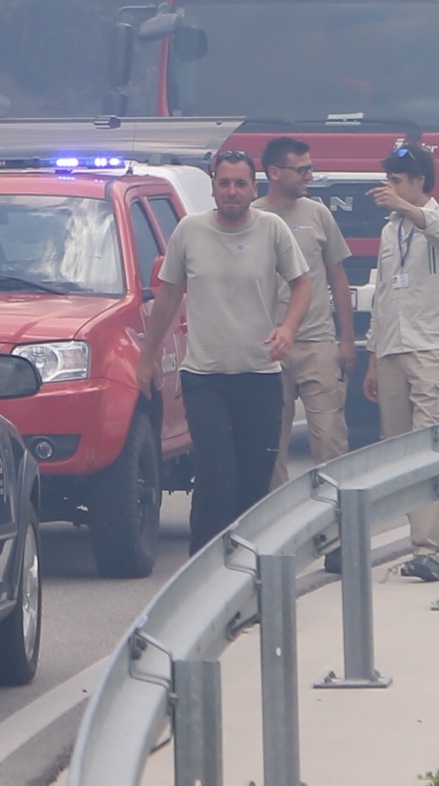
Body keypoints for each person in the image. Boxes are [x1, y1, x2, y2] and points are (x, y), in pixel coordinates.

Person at [137, 146, 315, 550]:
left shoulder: (272, 230)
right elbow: (167, 296)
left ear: (254, 188)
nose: (232, 191)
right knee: (217, 479)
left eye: (240, 184)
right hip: (205, 377)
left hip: (260, 376)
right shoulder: (189, 231)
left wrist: (288, 327)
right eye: (224, 184)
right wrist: (146, 359)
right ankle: (202, 571)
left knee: (254, 483)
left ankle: (248, 575)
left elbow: (302, 284)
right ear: (213, 188)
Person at [365, 140, 439, 582]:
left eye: (397, 181)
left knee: (429, 442)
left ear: (419, 182)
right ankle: (424, 545)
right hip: (391, 345)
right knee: (400, 449)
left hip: (430, 345)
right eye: (388, 180)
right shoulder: (390, 231)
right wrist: (372, 355)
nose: (388, 188)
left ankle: (430, 549)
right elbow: (384, 293)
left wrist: (406, 209)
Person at [258, 135, 359, 467]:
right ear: (275, 172)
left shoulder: (319, 214)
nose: (310, 176)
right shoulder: (253, 218)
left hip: (318, 343)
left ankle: (335, 516)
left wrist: (346, 339)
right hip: (269, 346)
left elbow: (338, 278)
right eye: (302, 170)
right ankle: (278, 517)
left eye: (310, 168)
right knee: (270, 446)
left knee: (330, 439)